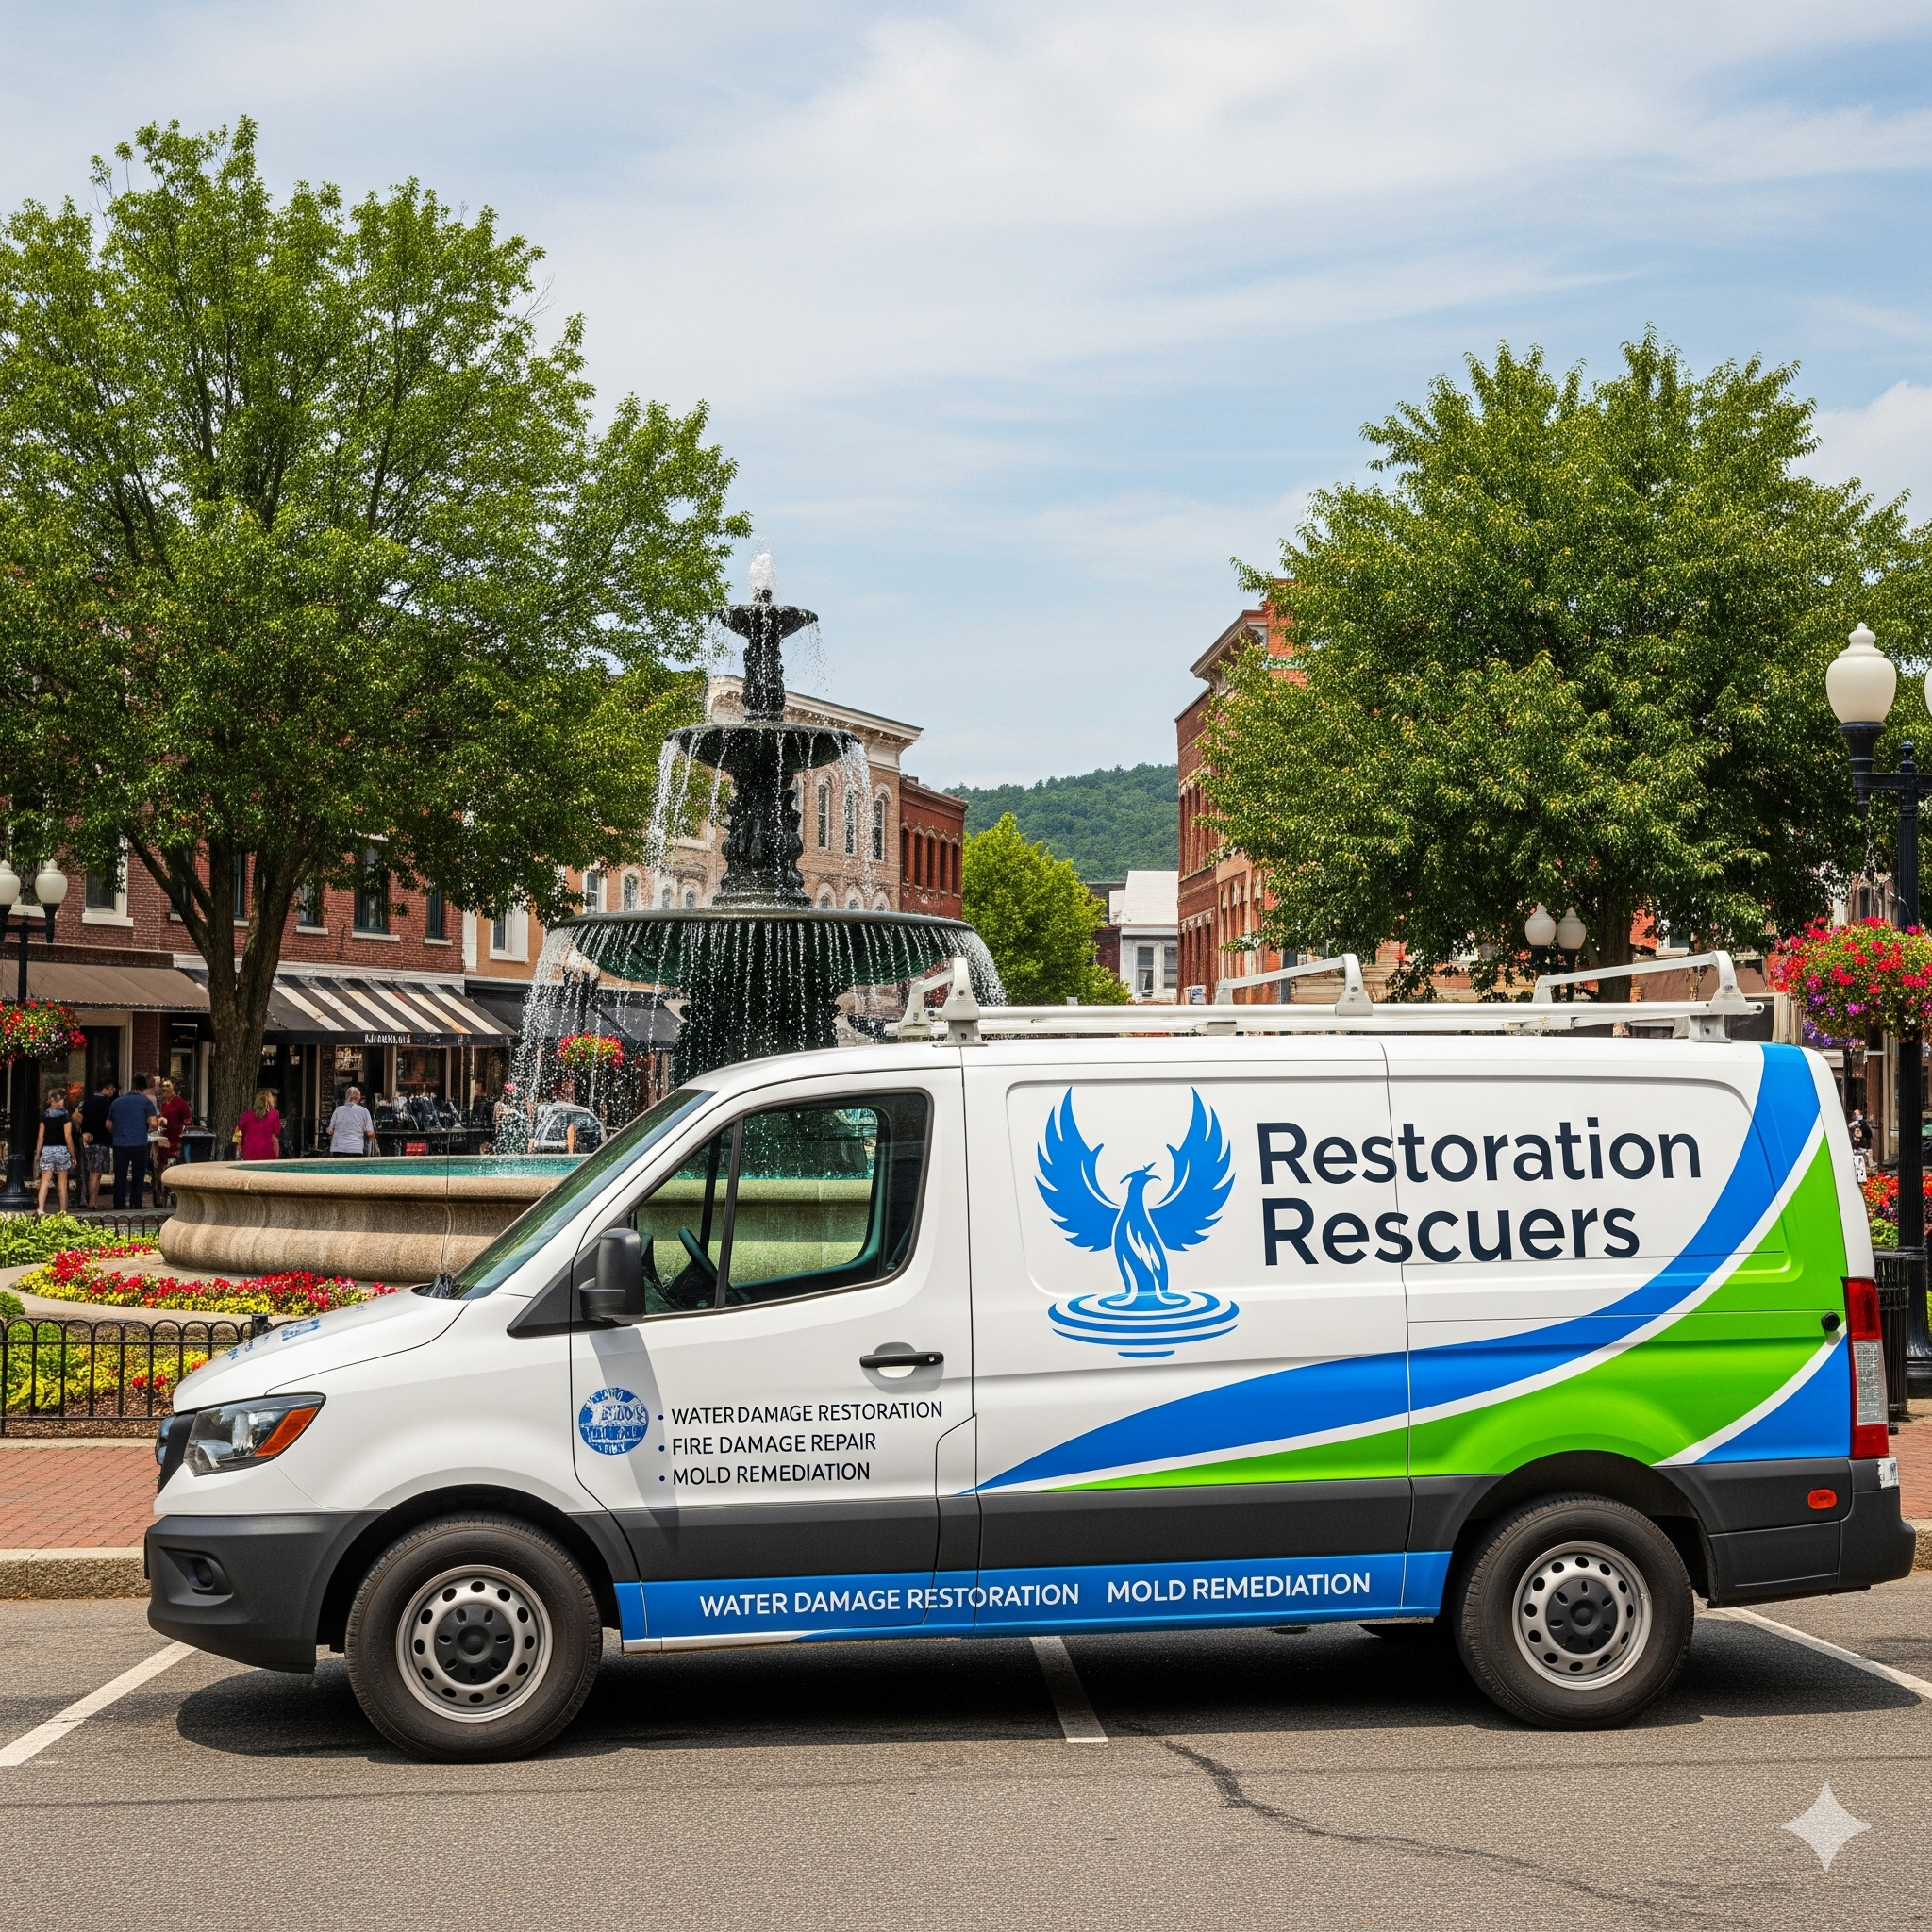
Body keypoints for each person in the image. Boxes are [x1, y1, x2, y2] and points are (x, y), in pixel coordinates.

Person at [108, 1073, 159, 1209]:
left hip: (120, 1143)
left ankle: (118, 1203)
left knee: (120, 1175)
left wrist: (118, 1133)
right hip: (139, 1143)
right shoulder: (146, 1102)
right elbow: (153, 1122)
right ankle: (136, 1202)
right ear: (143, 1088)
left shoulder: (117, 1101)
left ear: (132, 1085)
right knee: (138, 1174)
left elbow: (108, 1124)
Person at [34, 1086, 76, 1215]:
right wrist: (72, 1155)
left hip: (47, 1149)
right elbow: (68, 1136)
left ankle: (40, 1209)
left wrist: (37, 1153)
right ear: (60, 1100)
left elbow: (41, 1136)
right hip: (62, 1150)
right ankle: (63, 1211)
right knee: (62, 1184)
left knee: (45, 1181)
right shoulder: (65, 1115)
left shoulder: (45, 1115)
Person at [78, 1076, 116, 1209]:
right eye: (110, 1088)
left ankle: (92, 1200)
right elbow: (107, 1123)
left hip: (90, 1141)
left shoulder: (87, 1102)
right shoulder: (104, 1103)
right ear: (104, 1089)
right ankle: (92, 1202)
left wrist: (84, 1132)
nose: (113, 1091)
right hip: (101, 1140)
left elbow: (76, 1117)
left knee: (94, 1172)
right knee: (96, 1173)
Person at [156, 1078, 193, 1204]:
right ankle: (161, 1193)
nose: (163, 1094)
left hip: (176, 1137)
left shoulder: (180, 1103)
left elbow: (188, 1121)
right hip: (164, 1137)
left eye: (165, 1091)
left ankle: (174, 1193)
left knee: (173, 1164)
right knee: (161, 1164)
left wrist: (182, 1129)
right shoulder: (163, 1104)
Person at [234, 1088, 282, 1162]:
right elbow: (276, 1131)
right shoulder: (275, 1114)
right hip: (266, 1150)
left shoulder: (247, 1114)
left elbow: (240, 1129)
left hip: (249, 1149)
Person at [327, 1086, 375, 1156]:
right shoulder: (364, 1111)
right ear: (358, 1097)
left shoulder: (338, 1110)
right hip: (355, 1148)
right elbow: (369, 1133)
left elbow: (330, 1131)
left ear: (347, 1096)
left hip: (338, 1148)